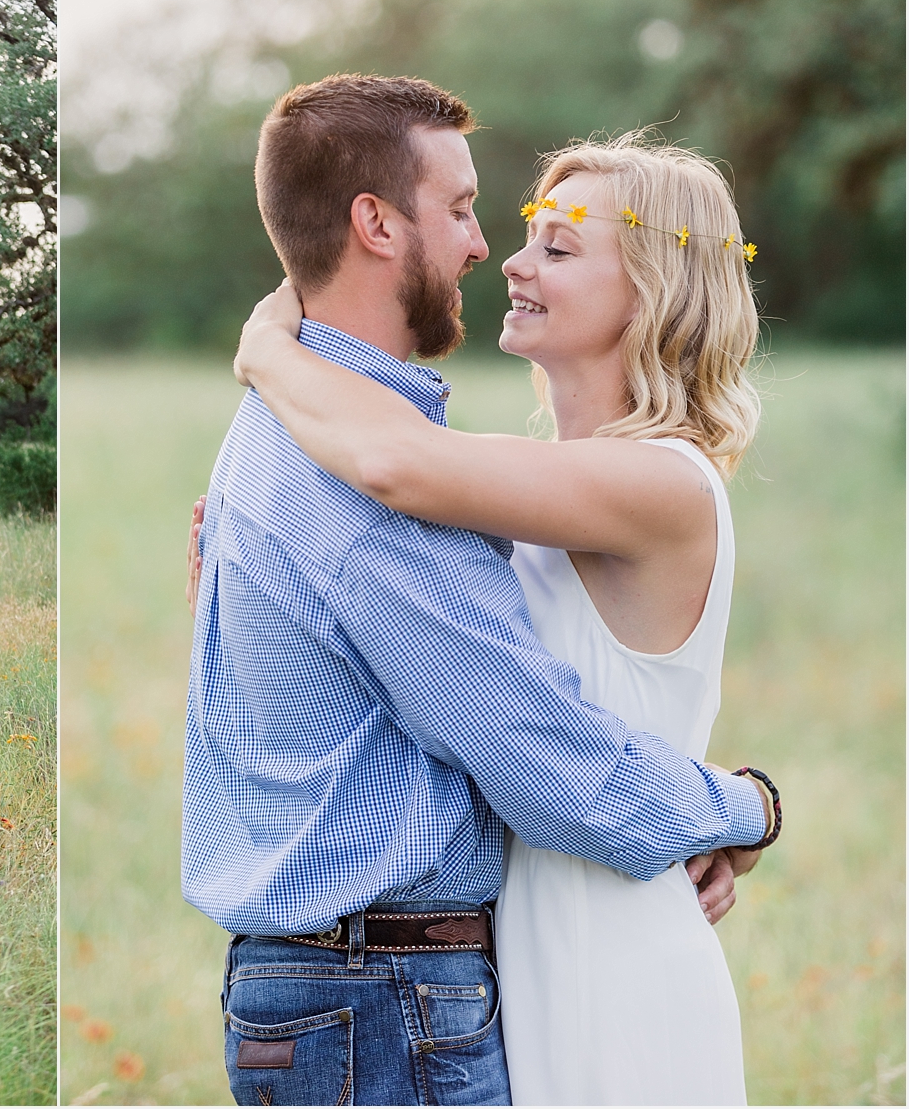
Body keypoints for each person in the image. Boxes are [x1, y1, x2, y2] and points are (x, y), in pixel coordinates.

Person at [183, 74, 780, 1106]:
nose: (493, 251)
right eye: (473, 214)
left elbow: (398, 469)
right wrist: (734, 807)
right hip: (458, 962)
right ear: (375, 222)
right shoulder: (473, 478)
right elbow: (544, 750)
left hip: (594, 944)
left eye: (555, 245)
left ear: (651, 285)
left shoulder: (628, 481)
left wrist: (266, 351)